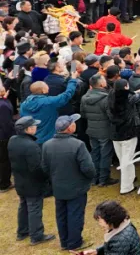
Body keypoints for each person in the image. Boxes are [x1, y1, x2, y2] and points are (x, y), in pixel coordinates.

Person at [41, 114, 95, 252]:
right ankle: (75, 243)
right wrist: (89, 178)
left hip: (58, 187)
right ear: (69, 128)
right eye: (73, 123)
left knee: (61, 214)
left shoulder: (47, 145)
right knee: (75, 214)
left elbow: (45, 168)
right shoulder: (78, 145)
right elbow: (88, 168)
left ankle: (64, 241)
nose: (75, 124)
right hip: (76, 187)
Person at [9, 116, 54, 245]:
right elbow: (36, 169)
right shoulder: (31, 146)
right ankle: (37, 236)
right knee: (34, 208)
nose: (36, 127)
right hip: (32, 183)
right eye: (34, 126)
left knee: (23, 206)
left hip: (20, 181)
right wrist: (46, 178)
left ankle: (22, 232)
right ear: (27, 129)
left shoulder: (12, 140)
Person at [107, 78, 140, 194]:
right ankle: (126, 187)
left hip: (115, 133)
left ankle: (131, 178)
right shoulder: (128, 99)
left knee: (123, 158)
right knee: (126, 160)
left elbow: (130, 94)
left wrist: (137, 91)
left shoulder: (111, 96)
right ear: (126, 87)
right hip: (128, 133)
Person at [80, 73, 119, 187]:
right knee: (105, 155)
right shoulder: (106, 98)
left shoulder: (84, 97)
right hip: (105, 130)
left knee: (95, 153)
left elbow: (83, 114)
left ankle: (94, 178)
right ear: (101, 84)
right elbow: (111, 115)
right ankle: (104, 179)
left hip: (92, 129)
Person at [20, 74, 79, 143]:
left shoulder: (23, 104)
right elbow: (67, 95)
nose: (48, 87)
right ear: (43, 90)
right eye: (46, 86)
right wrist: (73, 80)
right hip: (47, 139)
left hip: (32, 138)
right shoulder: (49, 102)